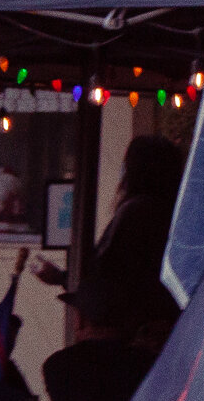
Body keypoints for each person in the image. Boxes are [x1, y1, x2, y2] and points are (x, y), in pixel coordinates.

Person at [34, 135, 184, 348]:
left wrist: (65, 277)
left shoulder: (135, 212)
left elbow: (111, 273)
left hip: (129, 331)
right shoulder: (174, 213)